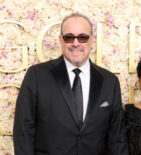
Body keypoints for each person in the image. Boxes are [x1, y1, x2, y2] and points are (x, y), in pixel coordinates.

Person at [13, 12, 129, 155]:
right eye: (69, 37)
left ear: (92, 40)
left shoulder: (109, 81)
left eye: (82, 37)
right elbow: (23, 131)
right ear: (61, 40)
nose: (75, 43)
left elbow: (117, 137)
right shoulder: (37, 75)